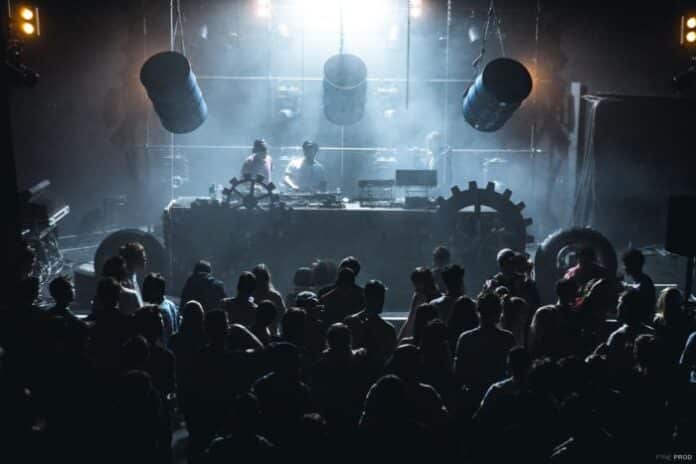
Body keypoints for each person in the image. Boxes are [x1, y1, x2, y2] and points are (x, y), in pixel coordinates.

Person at [454, 292, 516, 400]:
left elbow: (459, 373)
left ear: (478, 312)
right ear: (499, 312)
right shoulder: (507, 338)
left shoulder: (466, 338)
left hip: (473, 395)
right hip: (502, 396)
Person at [344, 280, 397, 364]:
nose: (382, 301)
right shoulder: (387, 328)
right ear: (366, 298)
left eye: (382, 297)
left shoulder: (351, 321)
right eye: (379, 297)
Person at [399, 267, 441, 340]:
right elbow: (410, 321)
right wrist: (399, 340)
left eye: (417, 283)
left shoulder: (438, 300)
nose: (415, 288)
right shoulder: (418, 296)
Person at [142, 273, 178, 345]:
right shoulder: (171, 304)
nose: (143, 291)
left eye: (148, 288)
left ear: (158, 291)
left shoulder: (158, 311)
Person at [621, 248, 656, 325]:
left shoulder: (644, 283)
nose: (624, 268)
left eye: (625, 264)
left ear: (631, 265)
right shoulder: (642, 281)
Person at [251, 264, 286, 332]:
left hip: (255, 334)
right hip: (270, 333)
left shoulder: (249, 297)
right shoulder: (275, 296)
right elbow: (282, 316)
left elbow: (282, 315)